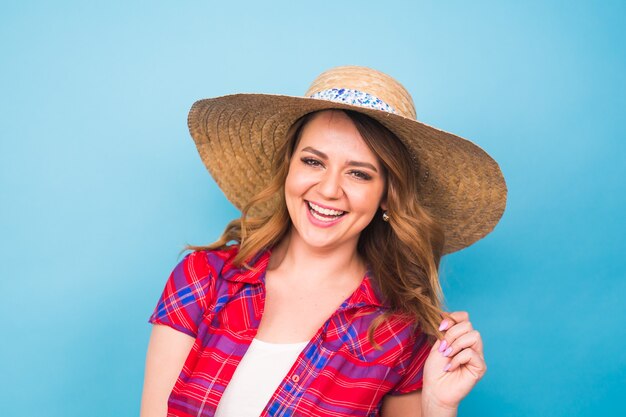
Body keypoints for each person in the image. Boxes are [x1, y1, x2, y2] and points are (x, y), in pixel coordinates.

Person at [140, 66, 507, 417]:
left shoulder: (401, 331)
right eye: (314, 162)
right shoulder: (203, 278)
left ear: (386, 195)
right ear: (290, 167)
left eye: (359, 174)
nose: (329, 190)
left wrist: (439, 408)